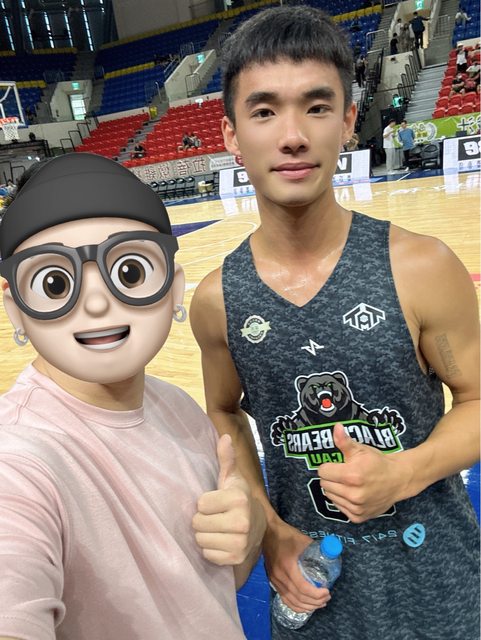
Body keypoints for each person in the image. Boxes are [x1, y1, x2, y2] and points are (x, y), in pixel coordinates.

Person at [190, 6, 480, 640]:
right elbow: (223, 413)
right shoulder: (217, 301)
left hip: (441, 590)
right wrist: (270, 529)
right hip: (314, 600)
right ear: (232, 135)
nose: (293, 136)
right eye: (264, 112)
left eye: (317, 107)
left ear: (348, 121)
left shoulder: (421, 267)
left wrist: (404, 472)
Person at [0, 153, 265, 639]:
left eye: (129, 272)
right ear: (15, 308)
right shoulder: (16, 460)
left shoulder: (179, 408)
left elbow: (213, 588)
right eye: (55, 283)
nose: (97, 302)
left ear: (174, 289)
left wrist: (249, 531)